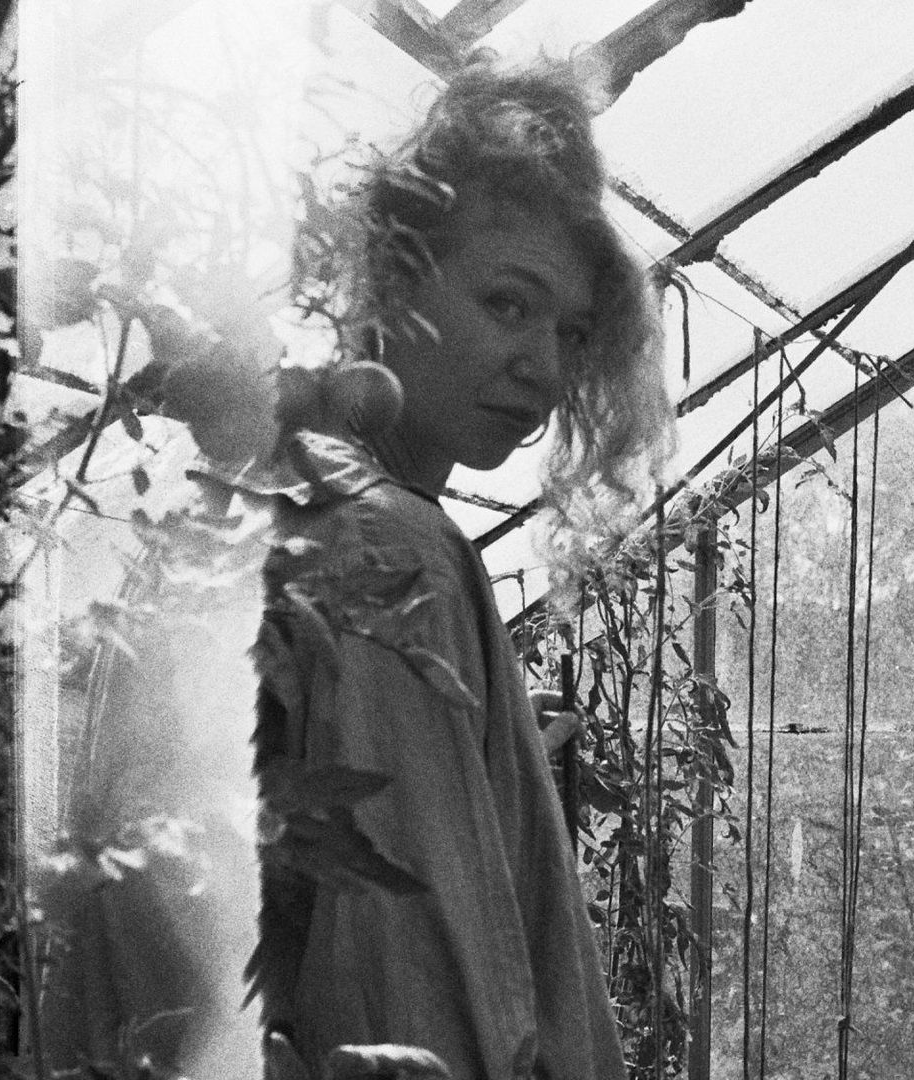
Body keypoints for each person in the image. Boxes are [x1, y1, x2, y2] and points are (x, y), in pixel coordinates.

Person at [245, 57, 674, 1080]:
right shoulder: (392, 546)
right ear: (392, 280)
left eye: (571, 332)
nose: (546, 367)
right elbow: (420, 990)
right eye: (508, 304)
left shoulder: (311, 498)